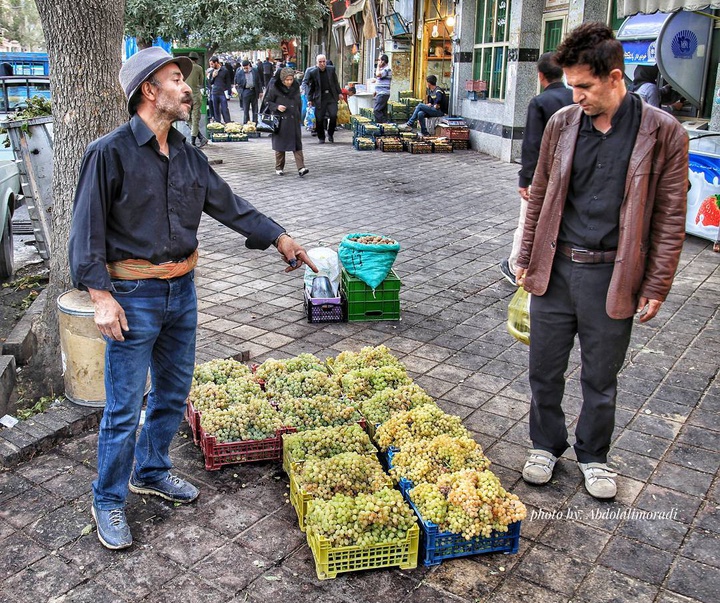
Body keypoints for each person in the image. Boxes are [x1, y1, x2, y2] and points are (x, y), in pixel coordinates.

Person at [68, 47, 317, 550]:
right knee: (122, 407)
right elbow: (86, 234)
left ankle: (152, 469)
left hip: (182, 292)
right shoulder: (108, 153)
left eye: (185, 79)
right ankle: (108, 498)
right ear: (148, 91)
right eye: (176, 79)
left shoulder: (187, 155)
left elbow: (230, 206)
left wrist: (281, 238)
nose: (187, 89)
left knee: (173, 393)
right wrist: (101, 296)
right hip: (132, 295)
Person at [515, 23, 688, 500]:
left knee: (600, 375)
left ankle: (593, 455)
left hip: (614, 273)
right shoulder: (563, 124)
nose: (576, 96)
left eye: (584, 87)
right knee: (544, 367)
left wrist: (657, 284)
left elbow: (671, 216)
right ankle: (545, 444)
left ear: (616, 78)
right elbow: (542, 196)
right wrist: (526, 258)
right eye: (571, 86)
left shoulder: (662, 132)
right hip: (556, 268)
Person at [500, 52, 573, 285]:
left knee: (528, 221)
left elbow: (532, 144)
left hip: (544, 174)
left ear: (540, 75)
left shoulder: (540, 102)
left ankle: (515, 266)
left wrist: (525, 178)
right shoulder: (576, 97)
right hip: (572, 173)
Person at [264, 67, 309, 178]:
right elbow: (268, 101)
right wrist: (277, 107)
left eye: (291, 79)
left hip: (293, 119)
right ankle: (279, 167)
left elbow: (298, 101)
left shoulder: (295, 87)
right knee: (280, 145)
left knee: (297, 145)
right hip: (281, 120)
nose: (289, 82)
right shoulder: (275, 88)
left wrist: (300, 115)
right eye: (287, 80)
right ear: (282, 79)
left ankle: (301, 167)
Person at [302, 54, 342, 143]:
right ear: (317, 63)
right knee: (319, 118)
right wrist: (309, 99)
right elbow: (310, 87)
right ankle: (321, 137)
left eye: (324, 61)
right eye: (320, 62)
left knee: (333, 115)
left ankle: (330, 134)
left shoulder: (331, 69)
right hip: (319, 98)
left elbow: (335, 82)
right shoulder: (313, 72)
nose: (322, 63)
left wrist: (339, 93)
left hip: (331, 97)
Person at [184, 52, 208, 148]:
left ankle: (200, 137)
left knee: (188, 118)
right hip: (195, 95)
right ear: (196, 59)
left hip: (185, 96)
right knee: (195, 118)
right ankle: (194, 141)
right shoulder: (198, 68)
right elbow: (202, 81)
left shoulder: (184, 68)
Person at [234, 59, 260, 124]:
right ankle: (246, 123)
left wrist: (260, 91)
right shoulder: (240, 73)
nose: (245, 69)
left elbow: (258, 81)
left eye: (246, 68)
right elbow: (237, 82)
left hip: (254, 91)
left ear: (249, 65)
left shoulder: (254, 71)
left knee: (255, 109)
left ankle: (255, 122)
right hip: (245, 91)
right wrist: (240, 92)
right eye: (244, 68)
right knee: (246, 109)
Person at [208, 55, 232, 124]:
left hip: (222, 92)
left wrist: (229, 92)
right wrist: (213, 77)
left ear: (216, 63)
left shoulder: (224, 70)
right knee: (216, 109)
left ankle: (227, 122)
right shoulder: (212, 71)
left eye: (212, 64)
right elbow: (210, 82)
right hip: (214, 92)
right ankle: (217, 122)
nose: (211, 66)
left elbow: (228, 82)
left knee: (224, 108)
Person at [372, 55, 392, 123]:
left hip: (383, 93)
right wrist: (375, 91)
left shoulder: (387, 69)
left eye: (379, 60)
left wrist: (378, 66)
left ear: (383, 61)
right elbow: (379, 79)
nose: (378, 62)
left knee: (376, 110)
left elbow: (378, 75)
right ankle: (384, 126)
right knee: (383, 111)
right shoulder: (383, 69)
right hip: (381, 92)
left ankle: (385, 123)